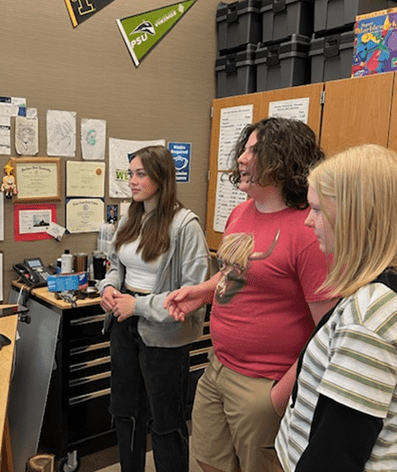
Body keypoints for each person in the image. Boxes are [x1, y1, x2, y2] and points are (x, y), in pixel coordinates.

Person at [164, 117, 337, 472]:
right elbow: (235, 275)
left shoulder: (308, 230)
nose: (240, 158)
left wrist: (276, 398)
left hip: (264, 382)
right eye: (243, 149)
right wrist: (202, 292)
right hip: (218, 366)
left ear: (281, 159)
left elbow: (328, 329)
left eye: (252, 151)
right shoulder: (241, 212)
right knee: (208, 462)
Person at [276, 144, 397, 472]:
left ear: (353, 215)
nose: (307, 222)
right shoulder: (376, 294)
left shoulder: (368, 317)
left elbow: (336, 456)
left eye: (316, 209)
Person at [98, 145, 209, 472]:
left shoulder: (185, 225)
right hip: (123, 323)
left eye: (140, 174)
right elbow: (117, 266)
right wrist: (108, 286)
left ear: (161, 177)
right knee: (125, 412)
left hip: (164, 333)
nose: (132, 181)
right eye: (130, 174)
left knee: (164, 420)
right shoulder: (130, 217)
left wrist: (139, 306)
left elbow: (194, 293)